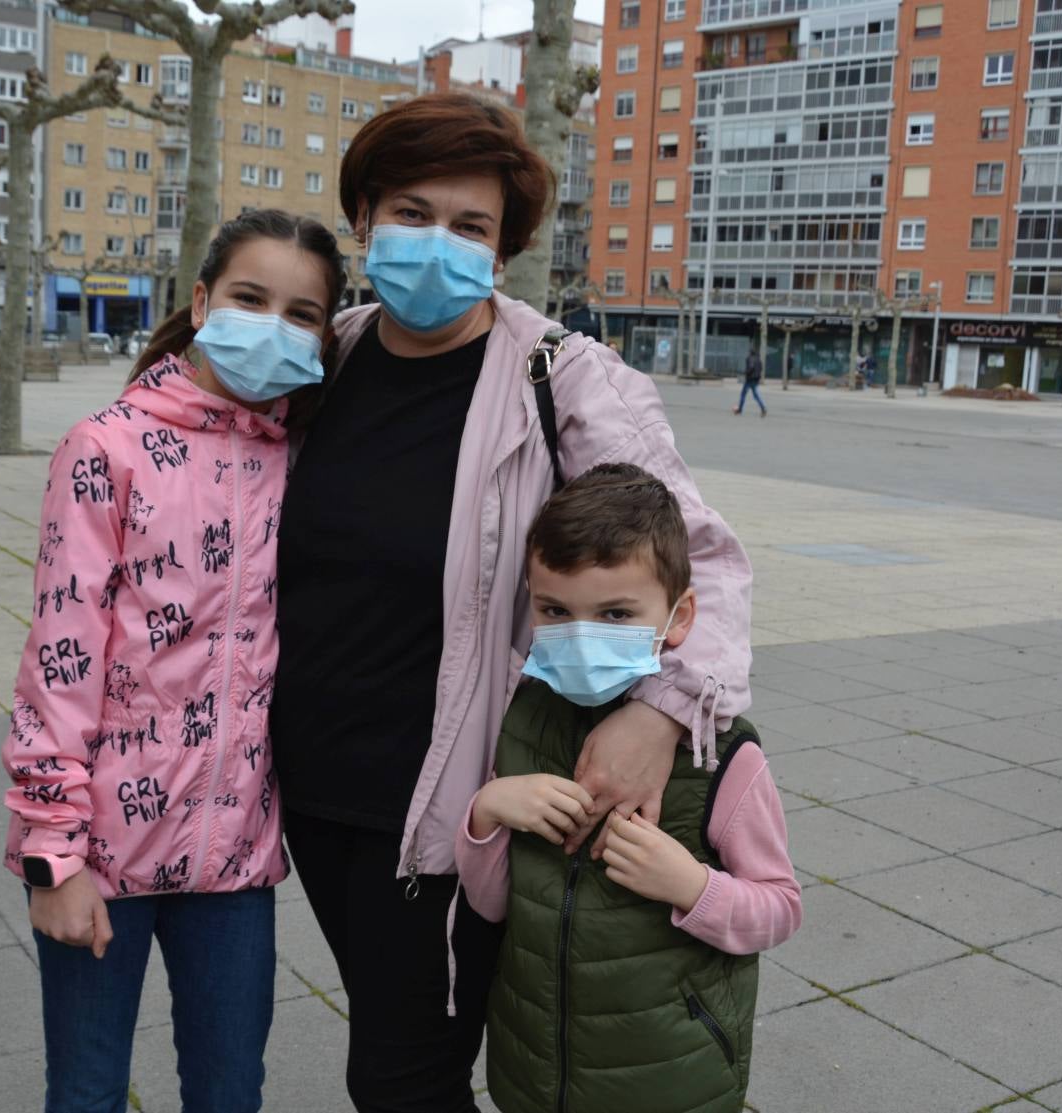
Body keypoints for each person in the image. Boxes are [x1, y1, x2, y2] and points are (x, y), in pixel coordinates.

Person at [270, 92, 755, 1113]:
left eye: (470, 226)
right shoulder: (327, 357)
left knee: (401, 1080)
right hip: (314, 791)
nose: (434, 243)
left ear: (502, 251)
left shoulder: (562, 377)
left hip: (458, 801)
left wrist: (661, 712)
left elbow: (699, 556)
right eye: (409, 212)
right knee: (405, 1043)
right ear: (362, 218)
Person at [0, 210, 346, 1113]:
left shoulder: (303, 460)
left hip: (233, 859)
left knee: (231, 1092)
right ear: (200, 302)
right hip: (99, 851)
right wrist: (53, 854)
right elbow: (59, 657)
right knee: (85, 1091)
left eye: (301, 312)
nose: (272, 325)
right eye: (249, 297)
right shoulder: (104, 448)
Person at [457, 463, 801, 1112]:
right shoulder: (523, 721)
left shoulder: (721, 755)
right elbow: (495, 901)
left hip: (671, 1082)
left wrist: (693, 886)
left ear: (680, 616)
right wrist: (487, 812)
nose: (582, 635)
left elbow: (779, 906)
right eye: (555, 610)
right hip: (537, 1071)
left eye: (615, 613)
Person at [734, 348, 766, 417]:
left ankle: (740, 409)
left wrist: (746, 373)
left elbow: (751, 367)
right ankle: (763, 408)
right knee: (756, 395)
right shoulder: (759, 360)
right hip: (756, 379)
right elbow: (761, 369)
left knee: (743, 395)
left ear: (750, 353)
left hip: (749, 379)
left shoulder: (749, 358)